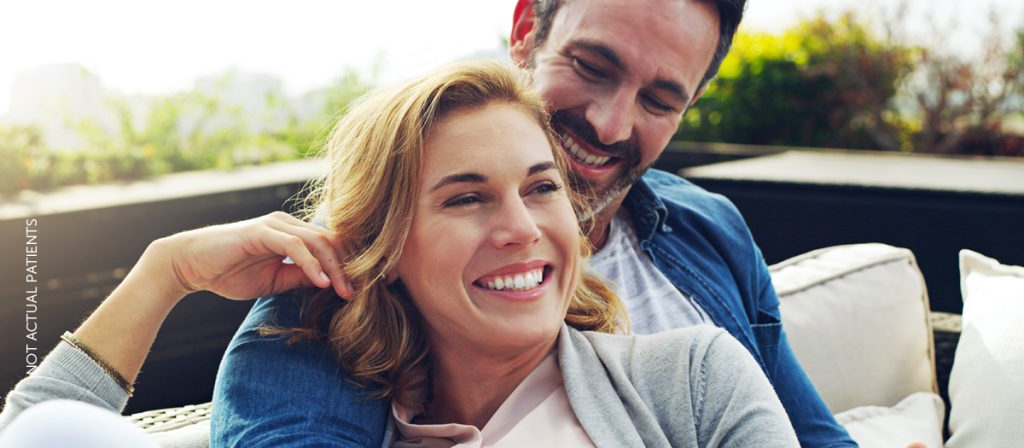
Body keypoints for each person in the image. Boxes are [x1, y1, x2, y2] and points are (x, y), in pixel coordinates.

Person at [213, 0, 856, 447]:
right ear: (526, 34)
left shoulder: (709, 231)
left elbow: (812, 434)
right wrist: (163, 277)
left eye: (660, 101)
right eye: (592, 66)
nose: (610, 124)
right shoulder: (342, 282)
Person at [0, 61, 800, 448]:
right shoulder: (337, 422)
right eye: (466, 196)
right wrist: (166, 270)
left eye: (542, 187)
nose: (522, 226)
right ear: (385, 250)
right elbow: (42, 431)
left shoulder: (690, 378)